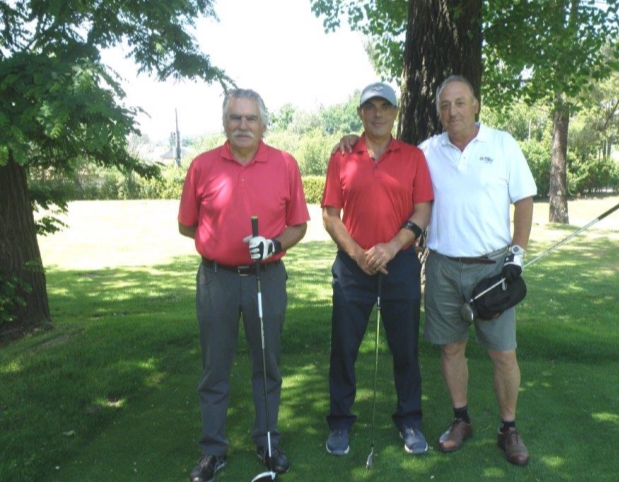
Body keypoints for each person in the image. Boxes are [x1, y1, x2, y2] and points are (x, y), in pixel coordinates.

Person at [336, 75, 536, 466]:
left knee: (502, 352)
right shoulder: (426, 151)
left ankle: (508, 427)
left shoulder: (503, 144)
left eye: (460, 103)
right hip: (443, 265)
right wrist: (348, 139)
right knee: (451, 348)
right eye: (445, 105)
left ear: (475, 105)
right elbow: (381, 149)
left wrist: (518, 253)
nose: (452, 111)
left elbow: (524, 201)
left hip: (493, 266)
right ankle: (461, 419)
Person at [178, 88, 309, 482]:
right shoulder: (202, 166)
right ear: (224, 122)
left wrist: (273, 244)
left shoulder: (285, 164)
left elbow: (299, 225)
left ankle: (267, 442)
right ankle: (212, 451)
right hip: (216, 279)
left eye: (251, 118)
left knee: (266, 365)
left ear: (263, 124)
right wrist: (218, 243)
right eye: (235, 118)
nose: (243, 125)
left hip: (265, 279)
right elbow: (186, 224)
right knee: (214, 368)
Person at [322, 82, 434, 457]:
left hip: (399, 263)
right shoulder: (342, 155)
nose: (377, 113)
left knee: (405, 348)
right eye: (370, 107)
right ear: (360, 114)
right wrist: (357, 253)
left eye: (385, 106)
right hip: (353, 267)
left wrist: (390, 247)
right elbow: (330, 216)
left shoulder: (413, 156)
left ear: (395, 112)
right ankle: (339, 423)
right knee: (344, 349)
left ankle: (409, 420)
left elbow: (422, 211)